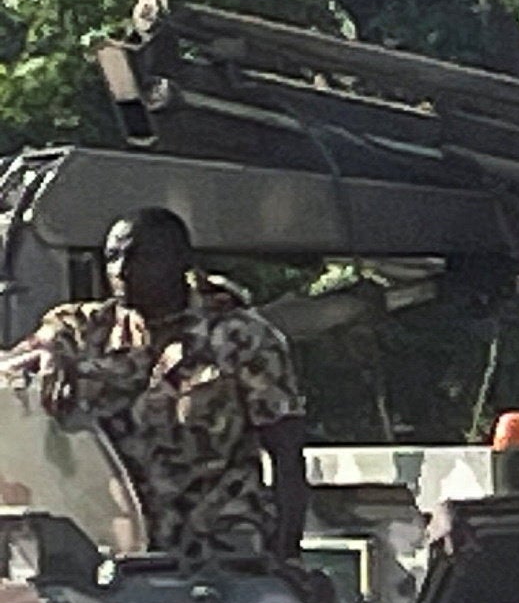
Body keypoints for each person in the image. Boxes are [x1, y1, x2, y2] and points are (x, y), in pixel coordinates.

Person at [0, 207, 309, 569]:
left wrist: (288, 558)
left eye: (140, 256)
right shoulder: (89, 329)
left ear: (181, 261)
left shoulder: (239, 337)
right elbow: (28, 357)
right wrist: (51, 355)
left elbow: (287, 455)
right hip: (120, 554)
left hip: (219, 546)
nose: (122, 271)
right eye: (113, 256)